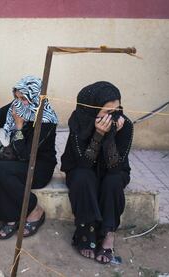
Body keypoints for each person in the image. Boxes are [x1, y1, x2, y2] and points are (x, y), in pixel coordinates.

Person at [60, 81, 133, 264]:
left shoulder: (126, 126)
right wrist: (98, 135)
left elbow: (116, 168)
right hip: (81, 168)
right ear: (92, 111)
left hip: (113, 169)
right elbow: (83, 164)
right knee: (83, 178)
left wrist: (110, 136)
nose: (115, 115)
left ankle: (108, 235)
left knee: (113, 181)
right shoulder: (79, 122)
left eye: (118, 109)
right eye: (108, 112)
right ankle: (86, 230)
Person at [0, 76, 58, 239]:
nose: (18, 102)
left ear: (35, 97)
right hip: (17, 159)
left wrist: (18, 127)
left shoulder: (47, 120)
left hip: (38, 167)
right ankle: (11, 215)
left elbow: (26, 154)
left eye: (23, 98)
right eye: (16, 97)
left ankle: (34, 208)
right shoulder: (15, 107)